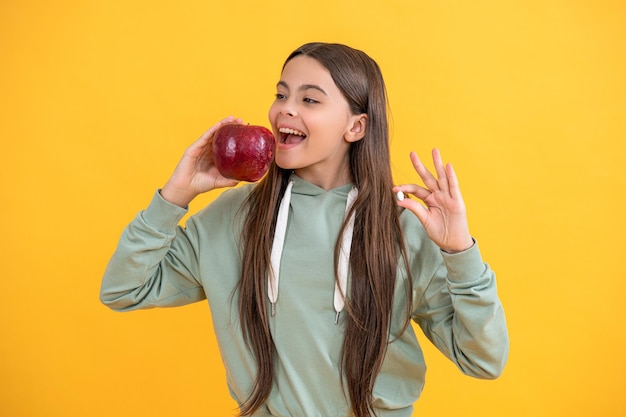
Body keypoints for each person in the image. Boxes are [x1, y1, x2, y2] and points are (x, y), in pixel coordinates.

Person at [100, 42, 509, 417]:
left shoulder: (402, 227)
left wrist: (460, 253)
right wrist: (173, 198)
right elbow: (123, 289)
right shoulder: (232, 217)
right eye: (281, 95)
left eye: (308, 99)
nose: (284, 110)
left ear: (356, 127)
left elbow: (484, 360)